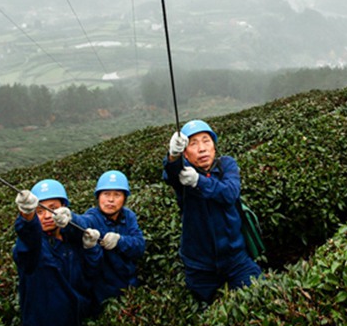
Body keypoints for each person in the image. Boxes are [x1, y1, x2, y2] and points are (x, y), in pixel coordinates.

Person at [162, 119, 262, 303]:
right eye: (193, 144)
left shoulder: (226, 165)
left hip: (235, 258)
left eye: (206, 141)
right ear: (186, 153)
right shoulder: (183, 174)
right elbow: (171, 173)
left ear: (214, 147)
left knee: (259, 296)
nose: (202, 148)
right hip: (200, 266)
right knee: (203, 315)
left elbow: (230, 193)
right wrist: (173, 156)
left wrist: (200, 182)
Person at [12, 179, 103, 326]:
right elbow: (28, 240)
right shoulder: (33, 248)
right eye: (39, 211)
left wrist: (92, 249)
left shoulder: (71, 242)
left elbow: (89, 275)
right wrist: (26, 217)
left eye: (51, 208)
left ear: (63, 208)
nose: (46, 216)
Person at [72, 170, 146, 308]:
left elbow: (139, 246)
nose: (110, 200)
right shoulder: (93, 217)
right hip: (102, 291)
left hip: (128, 284)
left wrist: (120, 241)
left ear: (124, 198)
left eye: (117, 195)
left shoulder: (128, 216)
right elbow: (82, 222)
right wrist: (69, 217)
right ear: (98, 197)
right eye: (106, 194)